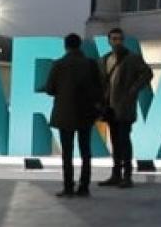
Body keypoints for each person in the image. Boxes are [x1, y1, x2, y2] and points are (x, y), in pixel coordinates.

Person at [44, 33, 102, 198]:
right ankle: (84, 186)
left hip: (65, 113)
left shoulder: (59, 64)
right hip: (86, 112)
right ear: (80, 45)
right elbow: (99, 88)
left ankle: (68, 187)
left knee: (67, 153)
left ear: (66, 46)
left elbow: (50, 89)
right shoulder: (90, 64)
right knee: (85, 151)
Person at [98, 27, 152, 189]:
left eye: (120, 39)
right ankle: (116, 175)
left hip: (124, 106)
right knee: (115, 142)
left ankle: (127, 176)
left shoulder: (132, 58)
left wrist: (133, 90)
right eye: (114, 39)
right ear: (109, 41)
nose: (117, 42)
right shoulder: (104, 59)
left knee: (124, 141)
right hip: (109, 107)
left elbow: (147, 74)